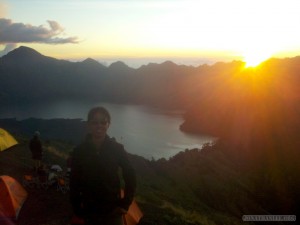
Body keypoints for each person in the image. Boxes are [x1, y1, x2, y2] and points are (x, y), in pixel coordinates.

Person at [70, 106, 136, 225]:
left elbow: (130, 175)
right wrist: (77, 207)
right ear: (89, 125)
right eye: (94, 122)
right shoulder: (80, 151)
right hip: (89, 211)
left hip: (113, 211)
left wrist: (125, 203)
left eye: (103, 122)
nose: (99, 126)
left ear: (108, 124)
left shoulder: (117, 149)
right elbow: (74, 180)